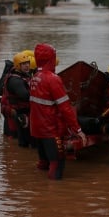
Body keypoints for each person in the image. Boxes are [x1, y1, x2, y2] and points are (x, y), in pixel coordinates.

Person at [29, 43, 87, 180]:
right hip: (51, 130)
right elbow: (65, 108)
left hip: (37, 129)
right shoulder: (53, 79)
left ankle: (37, 193)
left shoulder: (35, 77)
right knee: (57, 164)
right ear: (51, 58)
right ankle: (53, 196)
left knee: (43, 162)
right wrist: (78, 130)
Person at [0, 51, 34, 148]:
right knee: (20, 143)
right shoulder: (15, 81)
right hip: (18, 115)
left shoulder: (24, 75)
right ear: (17, 65)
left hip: (21, 113)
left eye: (27, 63)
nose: (27, 66)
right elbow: (25, 95)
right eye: (23, 64)